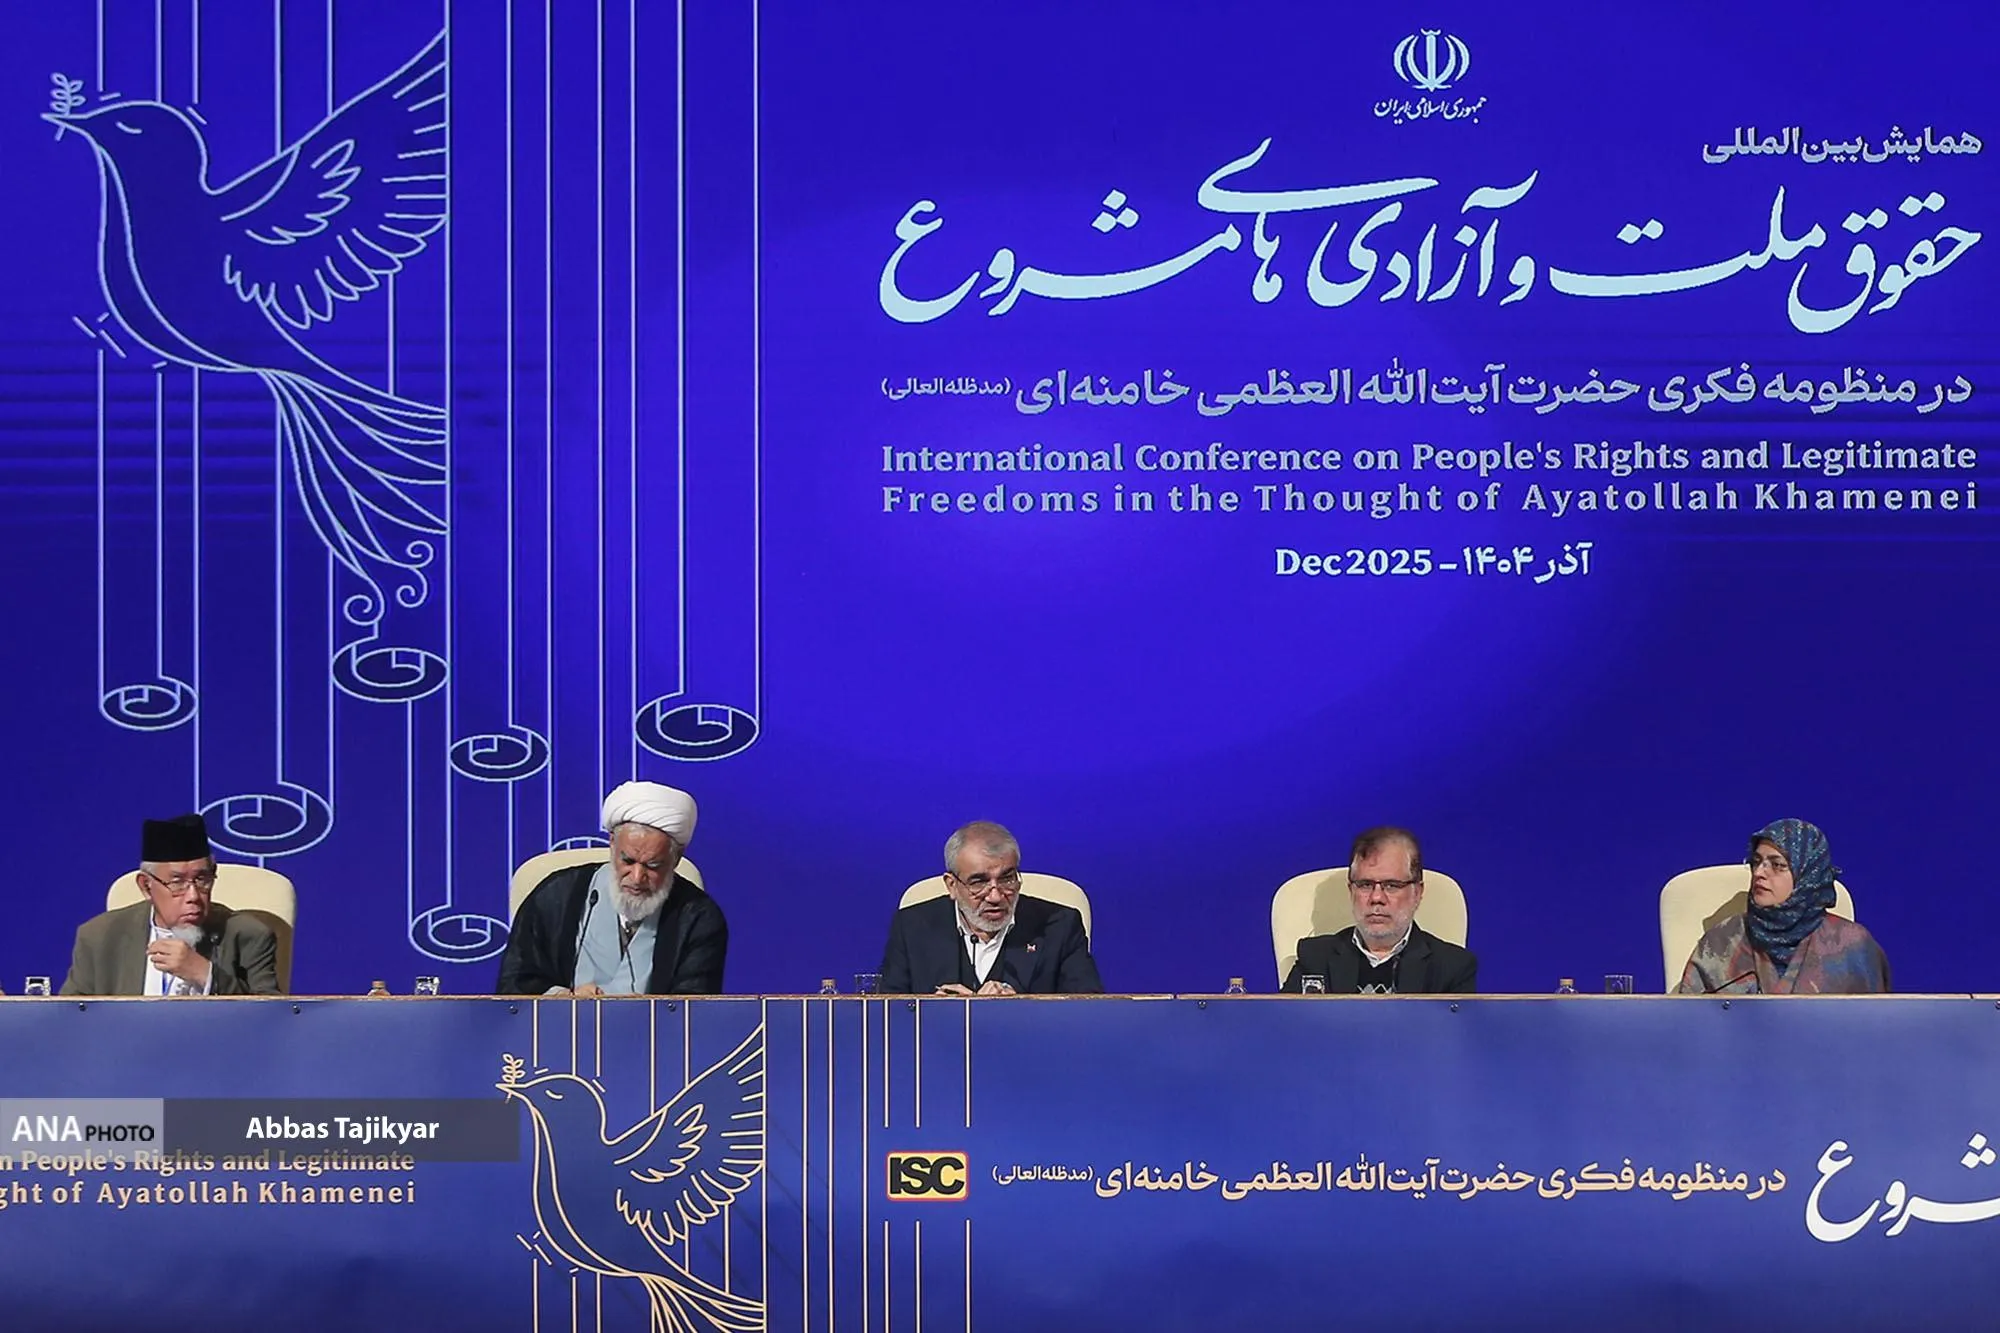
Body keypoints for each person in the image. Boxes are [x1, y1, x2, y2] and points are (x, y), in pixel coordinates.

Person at [498, 781, 727, 996]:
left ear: (676, 858)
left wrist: (646, 1011)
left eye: (653, 865)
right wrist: (562, 999)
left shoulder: (698, 916)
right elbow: (514, 986)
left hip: (650, 1027)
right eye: (628, 861)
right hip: (561, 1025)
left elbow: (695, 1007)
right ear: (612, 843)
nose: (637, 878)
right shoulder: (556, 895)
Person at [60, 814, 282, 996]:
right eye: (177, 883)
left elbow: (271, 1020)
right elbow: (71, 1020)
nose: (193, 895)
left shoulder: (248, 936)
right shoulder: (99, 937)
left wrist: (205, 975)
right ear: (146, 886)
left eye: (202, 879)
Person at [878, 821, 1102, 995]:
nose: (995, 896)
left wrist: (1023, 1010)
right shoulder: (913, 926)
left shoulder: (1059, 926)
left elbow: (1089, 1012)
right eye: (978, 882)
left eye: (1007, 879)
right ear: (952, 885)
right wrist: (934, 1012)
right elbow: (888, 1014)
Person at [1677, 819, 1889, 994]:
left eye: (1777, 865)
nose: (1759, 873)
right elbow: (1686, 1020)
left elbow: (1878, 1025)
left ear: (1807, 876)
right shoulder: (1722, 940)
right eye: (1756, 862)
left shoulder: (1852, 946)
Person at [1282, 826, 1477, 994]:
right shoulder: (1315, 958)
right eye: (1365, 885)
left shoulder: (1451, 968)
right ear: (1351, 891)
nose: (1376, 898)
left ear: (1417, 893)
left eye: (1391, 885)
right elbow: (1283, 1021)